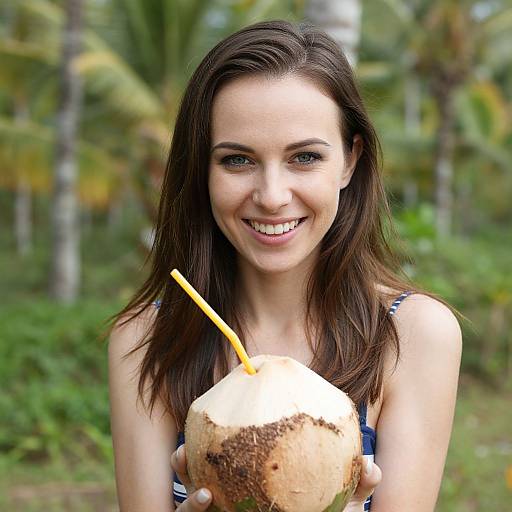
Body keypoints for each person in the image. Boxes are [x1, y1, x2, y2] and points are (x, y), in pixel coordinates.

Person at [107, 19, 462, 512]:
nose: (272, 196)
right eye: (237, 160)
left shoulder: (413, 335)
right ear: (201, 169)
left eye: (304, 157)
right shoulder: (146, 338)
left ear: (349, 161)